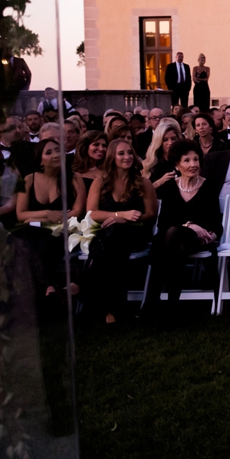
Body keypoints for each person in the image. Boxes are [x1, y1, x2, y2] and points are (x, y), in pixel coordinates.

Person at [144, 141, 221, 324]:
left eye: (195, 159)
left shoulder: (208, 186)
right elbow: (163, 223)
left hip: (198, 240)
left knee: (168, 240)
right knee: (171, 240)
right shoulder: (170, 187)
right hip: (176, 241)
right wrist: (189, 225)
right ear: (176, 165)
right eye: (186, 160)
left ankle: (153, 302)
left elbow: (215, 224)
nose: (193, 164)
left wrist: (211, 234)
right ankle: (171, 305)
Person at [83, 139, 158, 324]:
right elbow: (91, 213)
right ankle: (113, 310)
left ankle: (84, 286)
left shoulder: (143, 182)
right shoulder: (100, 182)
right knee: (111, 241)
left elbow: (151, 215)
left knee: (112, 236)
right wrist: (119, 214)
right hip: (109, 237)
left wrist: (125, 219)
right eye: (121, 153)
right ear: (112, 157)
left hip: (136, 233)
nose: (127, 157)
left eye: (130, 152)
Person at [14, 139, 87, 302]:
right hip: (36, 232)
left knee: (41, 240)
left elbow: (77, 211)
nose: (56, 155)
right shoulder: (28, 180)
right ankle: (51, 288)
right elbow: (21, 214)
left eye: (58, 150)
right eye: (49, 152)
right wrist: (48, 213)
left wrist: (41, 217)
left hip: (65, 231)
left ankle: (48, 289)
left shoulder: (75, 178)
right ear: (40, 160)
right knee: (30, 237)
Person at [142, 119, 184, 189]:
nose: (170, 143)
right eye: (165, 140)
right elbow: (142, 193)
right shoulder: (151, 164)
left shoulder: (184, 160)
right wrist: (159, 182)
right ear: (159, 141)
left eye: (173, 139)